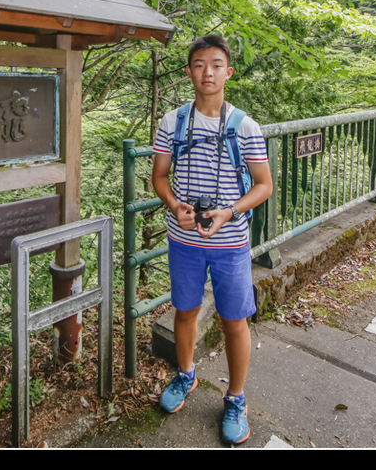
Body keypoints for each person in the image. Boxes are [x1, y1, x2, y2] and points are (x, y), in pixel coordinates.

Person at [151, 34, 273, 445]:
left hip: (231, 240)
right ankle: (186, 375)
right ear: (189, 72)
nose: (208, 72)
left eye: (217, 64)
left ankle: (235, 398)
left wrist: (229, 211)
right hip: (183, 237)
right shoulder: (173, 122)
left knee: (233, 321)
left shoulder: (246, 126)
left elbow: (263, 185)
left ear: (228, 72)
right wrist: (174, 205)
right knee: (184, 311)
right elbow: (159, 176)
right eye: (200, 64)